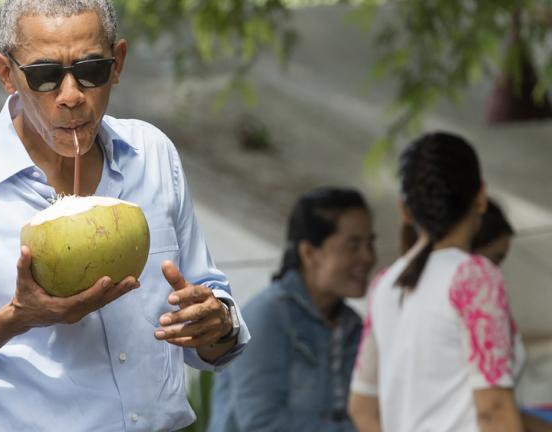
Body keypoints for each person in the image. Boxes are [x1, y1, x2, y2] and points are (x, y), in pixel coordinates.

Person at [0, 1, 250, 430]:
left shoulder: (152, 156)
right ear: (6, 74)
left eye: (91, 70)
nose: (71, 96)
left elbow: (212, 311)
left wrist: (218, 323)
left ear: (117, 63)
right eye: (44, 76)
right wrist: (14, 319)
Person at [348, 132, 523, 432]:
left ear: (405, 210)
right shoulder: (473, 277)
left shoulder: (384, 285)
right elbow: (493, 410)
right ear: (481, 196)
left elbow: (362, 408)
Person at [208, 187, 376, 431]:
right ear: (309, 253)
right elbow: (261, 424)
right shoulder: (266, 317)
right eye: (353, 245)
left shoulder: (353, 326)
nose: (368, 257)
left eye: (370, 243)